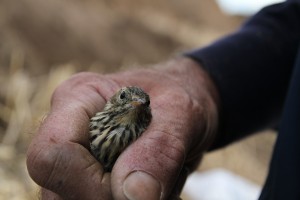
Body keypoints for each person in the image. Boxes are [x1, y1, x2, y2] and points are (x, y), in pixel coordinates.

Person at [26, 0, 300, 199]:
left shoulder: (140, 131)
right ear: (112, 100)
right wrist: (206, 82)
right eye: (125, 97)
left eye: (142, 104)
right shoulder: (95, 126)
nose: (134, 104)